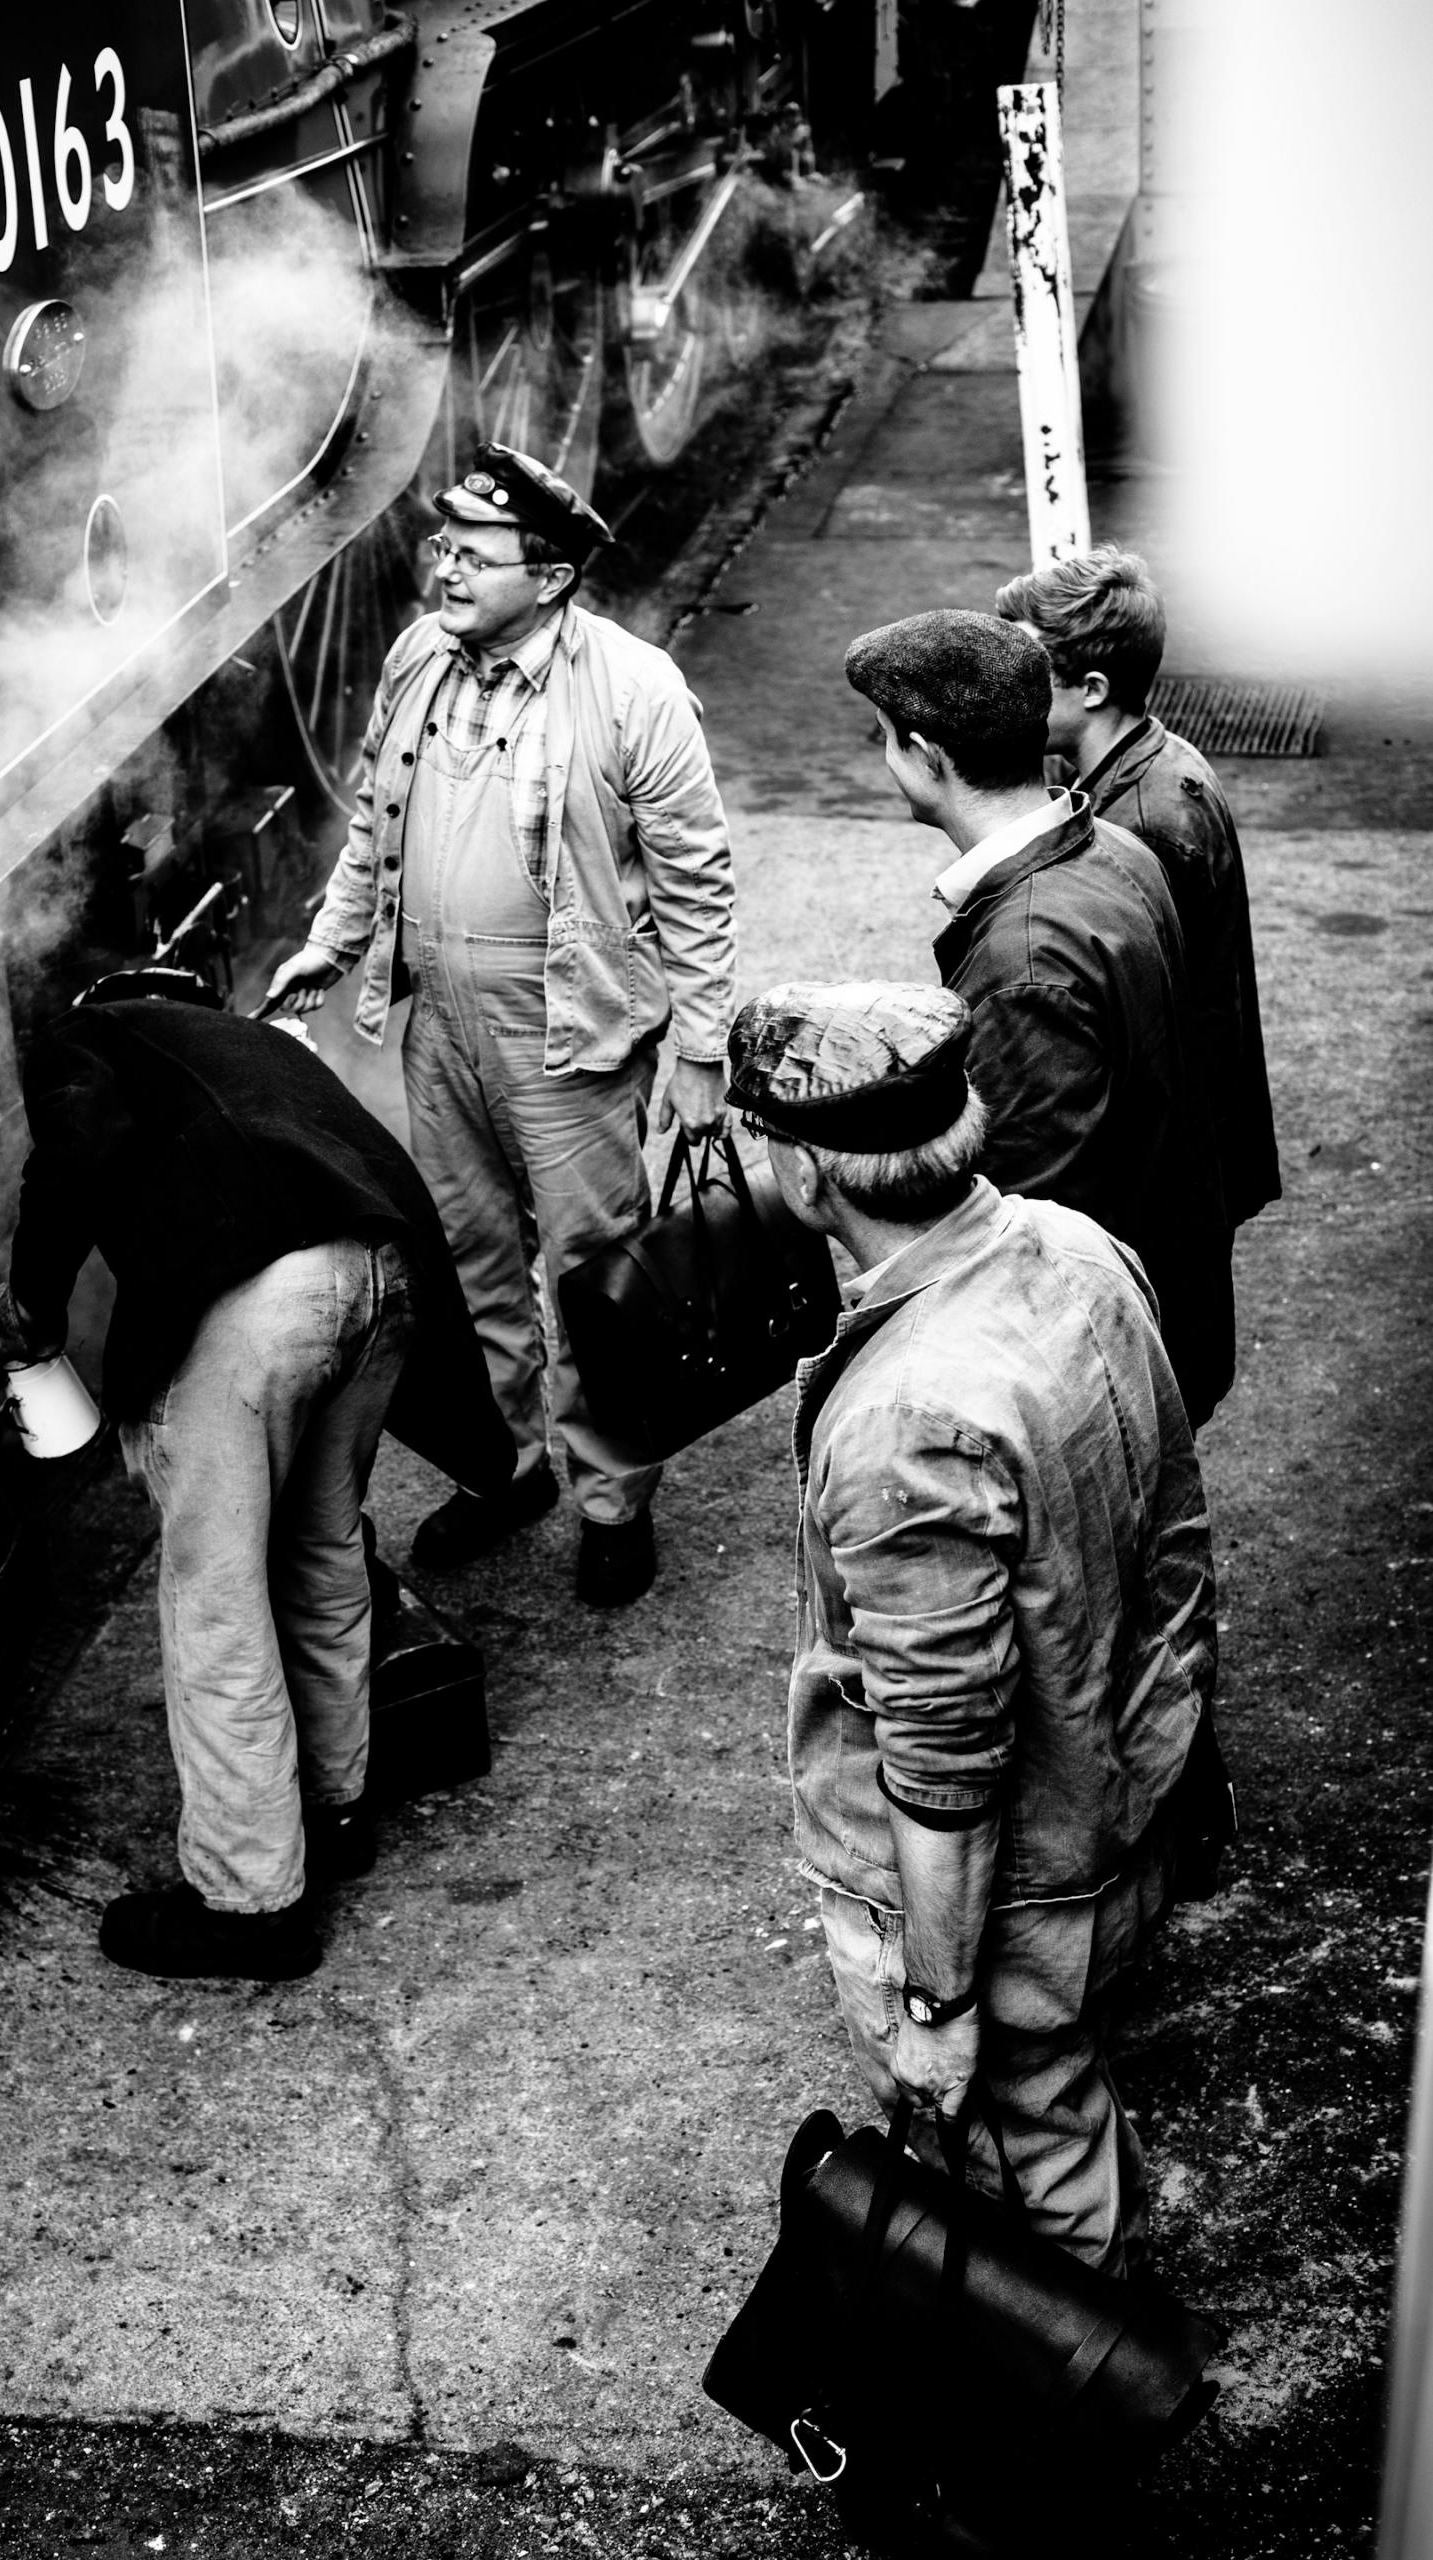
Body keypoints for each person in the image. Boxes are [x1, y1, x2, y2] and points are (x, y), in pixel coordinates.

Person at [726, 977, 1219, 2277]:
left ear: (808, 1171)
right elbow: (1173, 1540)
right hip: (1115, 1803)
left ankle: (1081, 2381)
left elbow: (943, 1760)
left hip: (1009, 1897)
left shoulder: (911, 1421)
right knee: (1053, 2104)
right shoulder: (1075, 1247)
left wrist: (937, 2002)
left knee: (1020, 2169)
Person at [0, 968, 513, 1982]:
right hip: (386, 1277)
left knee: (216, 1598)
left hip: (269, 1301)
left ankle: (250, 1904)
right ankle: (333, 1812)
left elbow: (76, 1149)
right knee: (323, 1550)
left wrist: (24, 1308)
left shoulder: (91, 1031)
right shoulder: (250, 1046)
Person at [266, 442, 737, 1607]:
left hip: (566, 1029)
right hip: (441, 1021)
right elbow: (374, 820)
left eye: (475, 556)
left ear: (553, 576)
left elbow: (697, 883)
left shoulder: (634, 688)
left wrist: (701, 1048)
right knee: (470, 1260)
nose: (445, 570)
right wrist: (333, 940)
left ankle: (614, 1500)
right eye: (445, 546)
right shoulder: (418, 656)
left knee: (593, 1275)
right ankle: (510, 1468)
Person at [844, 607, 1235, 1427]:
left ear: (926, 754)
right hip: (1162, 1302)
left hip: (1092, 1368)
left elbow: (1024, 1224)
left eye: (885, 737)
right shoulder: (1116, 848)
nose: (884, 756)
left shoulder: (1023, 962)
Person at [996, 545, 1280, 1231]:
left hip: (1164, 1181)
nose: (1006, 689)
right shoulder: (1154, 762)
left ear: (1092, 689)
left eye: (1027, 671)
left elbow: (1154, 1027)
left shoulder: (1143, 825)